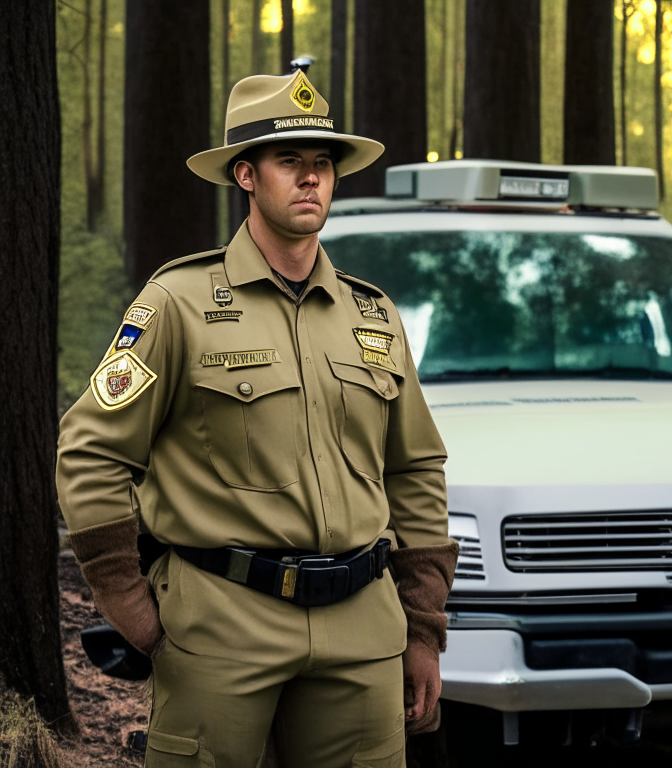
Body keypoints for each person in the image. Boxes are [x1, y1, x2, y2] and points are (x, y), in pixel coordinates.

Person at [56, 67, 457, 768]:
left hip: (363, 629)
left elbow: (415, 471)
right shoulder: (177, 303)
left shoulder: (373, 315)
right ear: (245, 174)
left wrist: (423, 631)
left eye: (323, 164)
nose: (311, 180)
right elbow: (90, 450)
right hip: (221, 622)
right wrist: (130, 601)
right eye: (289, 162)